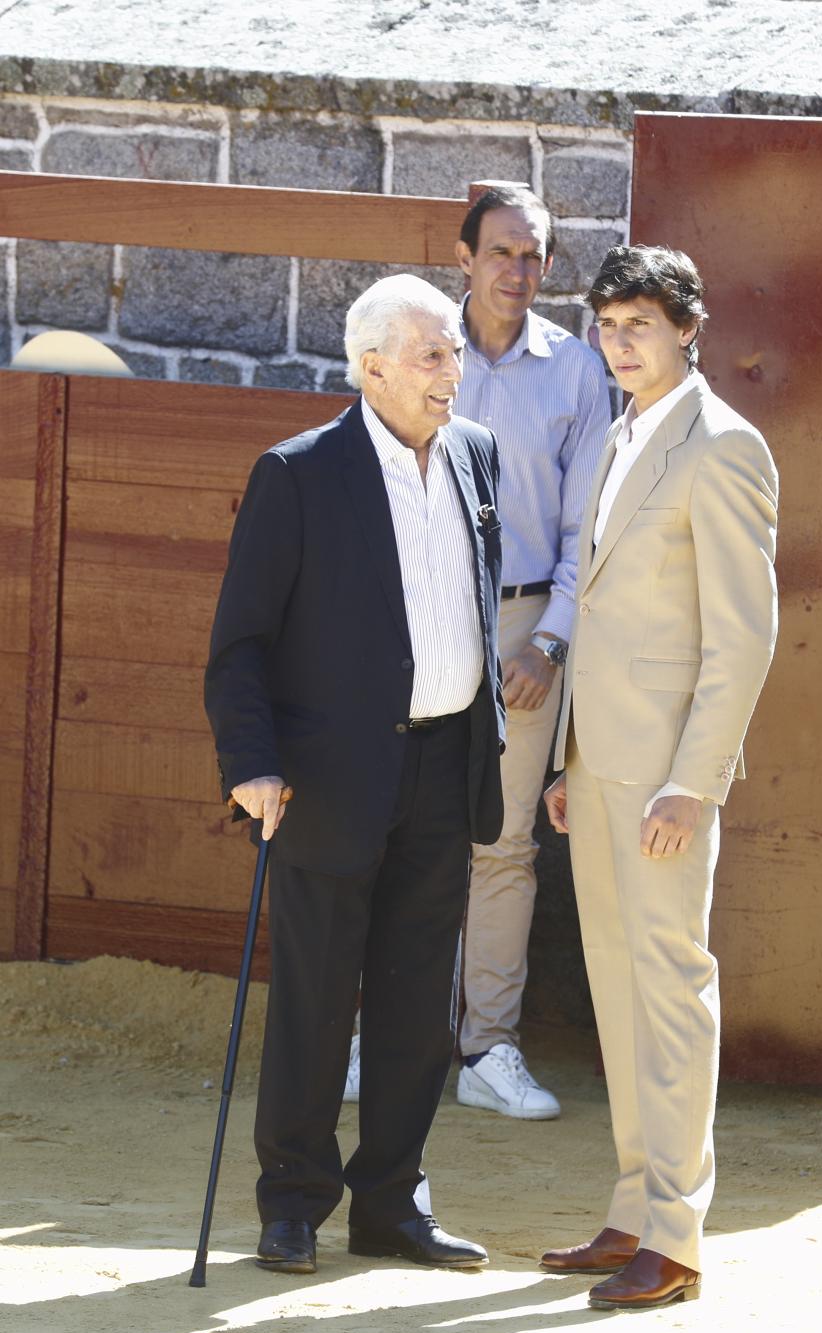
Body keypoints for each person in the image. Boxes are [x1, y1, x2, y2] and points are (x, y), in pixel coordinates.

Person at [204, 273, 505, 1276]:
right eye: (431, 354)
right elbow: (240, 643)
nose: (450, 372)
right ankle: (292, 1202)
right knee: (317, 999)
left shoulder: (474, 454)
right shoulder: (298, 473)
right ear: (370, 364)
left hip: (445, 763)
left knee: (419, 1006)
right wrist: (251, 764)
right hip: (329, 780)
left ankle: (392, 1203)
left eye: (455, 352)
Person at [540, 245, 779, 1308]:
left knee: (670, 988)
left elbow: (744, 637)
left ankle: (675, 1238)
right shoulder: (614, 435)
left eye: (640, 322)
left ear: (689, 327)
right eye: (606, 323)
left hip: (666, 779)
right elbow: (593, 607)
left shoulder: (723, 446)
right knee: (616, 985)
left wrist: (696, 781)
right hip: (597, 764)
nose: (620, 341)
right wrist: (566, 759)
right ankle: (634, 1206)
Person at [446, 186, 611, 1120]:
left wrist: (551, 640)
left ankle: (487, 1048)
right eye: (502, 251)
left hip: (524, 626)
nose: (518, 270)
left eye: (535, 255)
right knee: (401, 832)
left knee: (504, 844)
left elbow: (587, 526)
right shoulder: (422, 347)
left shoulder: (579, 373)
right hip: (425, 620)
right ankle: (383, 1034)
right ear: (464, 257)